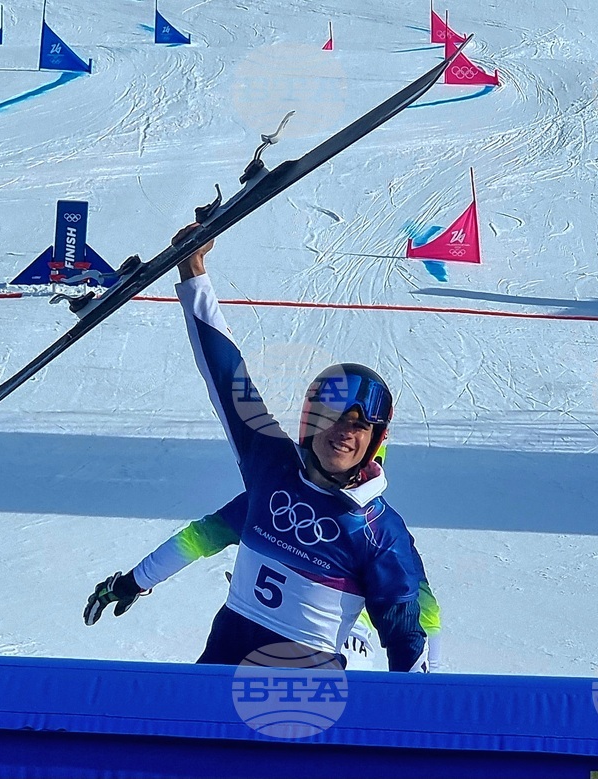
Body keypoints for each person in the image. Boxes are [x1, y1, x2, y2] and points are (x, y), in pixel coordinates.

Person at [86, 224, 429, 672]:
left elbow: (407, 641)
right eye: (330, 418)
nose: (343, 433)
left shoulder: (381, 532)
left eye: (359, 425)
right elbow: (230, 382)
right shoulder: (272, 471)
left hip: (302, 699)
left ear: (374, 440)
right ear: (309, 423)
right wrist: (193, 271)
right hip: (220, 669)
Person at [84, 492, 444, 671]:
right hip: (342, 663)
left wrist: (133, 582)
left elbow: (197, 538)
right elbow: (428, 619)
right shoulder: (385, 532)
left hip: (252, 652)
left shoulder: (276, 496)